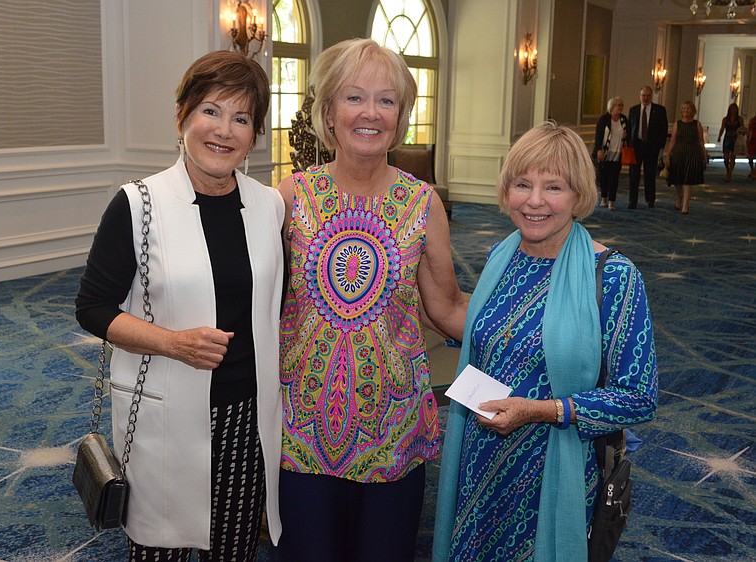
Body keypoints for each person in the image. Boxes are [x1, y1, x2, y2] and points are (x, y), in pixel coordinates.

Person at [75, 50, 284, 562]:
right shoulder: (139, 204)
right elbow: (93, 307)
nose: (224, 130)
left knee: (233, 546)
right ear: (183, 116)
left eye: (241, 119)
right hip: (165, 414)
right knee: (159, 547)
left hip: (247, 414)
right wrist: (174, 343)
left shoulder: (269, 205)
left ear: (253, 135)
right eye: (211, 111)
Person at [274, 38, 468, 562]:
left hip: (393, 428)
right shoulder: (290, 197)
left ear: (401, 116)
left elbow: (445, 308)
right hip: (301, 428)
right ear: (328, 110)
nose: (370, 113)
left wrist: (535, 317)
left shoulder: (423, 203)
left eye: (387, 100)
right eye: (354, 97)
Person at [433, 121, 658, 562]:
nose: (534, 201)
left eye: (553, 187)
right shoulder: (503, 255)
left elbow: (639, 396)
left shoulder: (614, 277)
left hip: (553, 470)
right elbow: (493, 340)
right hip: (481, 461)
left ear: (578, 195)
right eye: (523, 184)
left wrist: (542, 410)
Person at [627, 86, 668, 209]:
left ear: (651, 96)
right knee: (633, 175)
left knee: (650, 174)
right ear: (640, 96)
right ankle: (632, 201)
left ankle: (650, 199)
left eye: (648, 95)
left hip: (651, 147)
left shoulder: (659, 110)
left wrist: (660, 147)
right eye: (643, 95)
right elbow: (630, 128)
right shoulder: (633, 110)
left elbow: (663, 129)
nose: (645, 98)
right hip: (636, 146)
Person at [664, 100, 707, 215]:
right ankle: (678, 199)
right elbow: (673, 141)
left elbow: (701, 141)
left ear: (692, 110)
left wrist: (704, 153)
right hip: (679, 153)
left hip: (692, 154)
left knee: (688, 179)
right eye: (684, 108)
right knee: (677, 179)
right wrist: (668, 154)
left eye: (688, 108)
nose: (686, 111)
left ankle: (685, 205)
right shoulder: (677, 124)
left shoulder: (697, 124)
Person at [593, 96, 629, 211]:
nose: (620, 108)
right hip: (605, 152)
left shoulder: (623, 120)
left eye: (622, 106)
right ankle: (603, 197)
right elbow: (598, 135)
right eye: (619, 105)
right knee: (604, 177)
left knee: (614, 178)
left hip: (617, 153)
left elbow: (629, 134)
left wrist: (626, 136)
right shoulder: (604, 119)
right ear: (612, 107)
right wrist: (598, 149)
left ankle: (611, 200)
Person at [717, 102, 745, 182]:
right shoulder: (725, 119)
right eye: (732, 109)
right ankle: (728, 170)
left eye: (735, 109)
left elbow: (742, 129)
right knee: (726, 158)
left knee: (733, 157)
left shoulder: (739, 119)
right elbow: (722, 128)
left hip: (735, 139)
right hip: (727, 138)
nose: (733, 111)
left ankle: (730, 174)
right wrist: (719, 136)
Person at [748, 113, 756, 180]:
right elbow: (749, 129)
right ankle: (752, 169)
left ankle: (754, 172)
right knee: (750, 157)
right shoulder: (752, 120)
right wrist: (747, 138)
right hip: (753, 140)